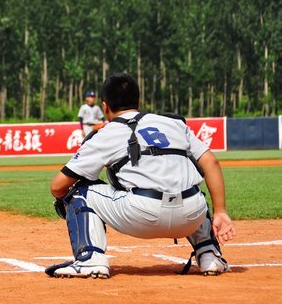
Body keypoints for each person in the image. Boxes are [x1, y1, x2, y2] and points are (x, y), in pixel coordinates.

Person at [47, 72, 235, 279]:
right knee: (191, 189)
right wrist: (221, 212)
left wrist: (64, 201)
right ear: (138, 102)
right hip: (192, 216)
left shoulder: (105, 135)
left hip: (141, 216)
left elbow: (58, 186)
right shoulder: (173, 123)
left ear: (105, 107)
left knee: (78, 191)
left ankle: (90, 260)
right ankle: (209, 255)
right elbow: (211, 163)